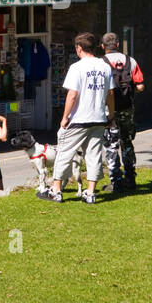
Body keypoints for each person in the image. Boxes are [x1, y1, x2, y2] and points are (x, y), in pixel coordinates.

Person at [41, 31, 114, 205]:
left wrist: (65, 117)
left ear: (79, 48)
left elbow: (72, 95)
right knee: (94, 155)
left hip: (79, 118)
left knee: (64, 152)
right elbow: (110, 93)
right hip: (98, 118)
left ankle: (56, 190)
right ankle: (90, 192)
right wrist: (111, 115)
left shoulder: (77, 67)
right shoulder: (105, 66)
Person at [102, 32, 145, 193]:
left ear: (103, 46)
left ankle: (116, 181)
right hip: (127, 108)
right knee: (127, 143)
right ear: (118, 45)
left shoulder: (102, 63)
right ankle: (130, 178)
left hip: (109, 111)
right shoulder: (130, 61)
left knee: (111, 145)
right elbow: (141, 86)